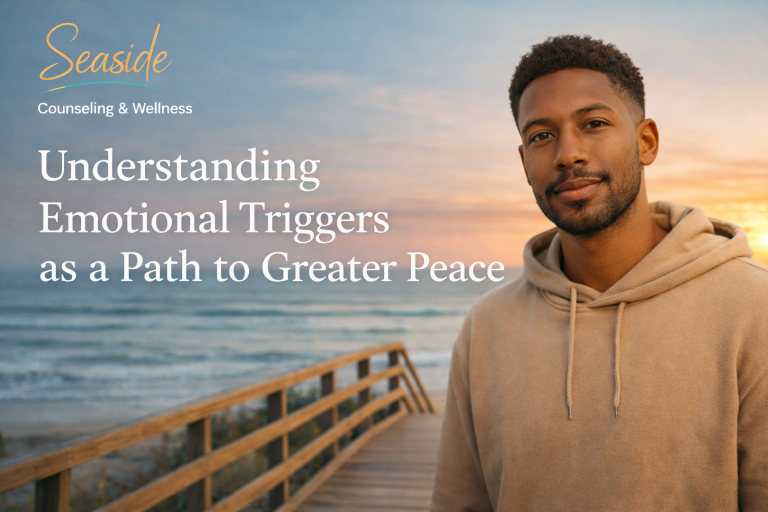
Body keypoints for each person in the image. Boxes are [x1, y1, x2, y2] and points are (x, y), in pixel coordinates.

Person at [430, 35, 768, 511]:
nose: (568, 154)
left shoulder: (753, 307)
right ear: (525, 163)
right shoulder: (486, 326)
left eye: (593, 123)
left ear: (645, 141)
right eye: (541, 135)